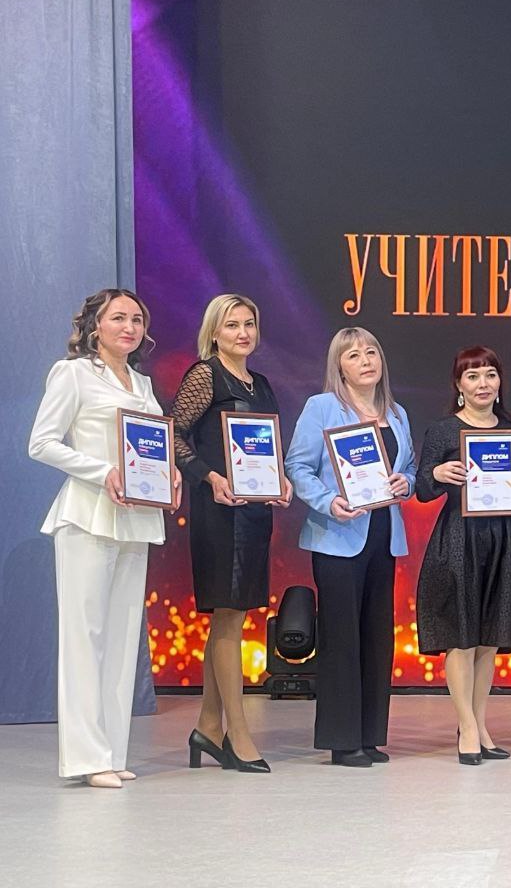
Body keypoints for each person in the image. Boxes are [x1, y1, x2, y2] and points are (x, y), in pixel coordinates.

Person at [29, 288, 181, 788]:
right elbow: (42, 443)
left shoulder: (142, 383)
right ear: (96, 325)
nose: (129, 327)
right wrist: (103, 472)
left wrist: (169, 473)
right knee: (84, 638)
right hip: (87, 516)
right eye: (118, 318)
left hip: (136, 519)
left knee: (121, 639)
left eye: (137, 319)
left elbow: (150, 446)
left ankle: (111, 751)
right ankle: (85, 757)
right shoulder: (72, 373)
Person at [284, 327, 416, 767]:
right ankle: (342, 740)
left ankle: (370, 735)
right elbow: (297, 466)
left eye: (371, 352)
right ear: (338, 366)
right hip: (337, 535)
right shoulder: (322, 407)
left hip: (383, 534)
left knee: (376, 636)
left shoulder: (396, 413)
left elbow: (409, 468)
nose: (365, 361)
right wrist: (328, 502)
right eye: (354, 355)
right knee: (342, 638)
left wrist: (406, 483)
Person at [171, 293, 291, 773]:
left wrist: (280, 479)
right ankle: (238, 734)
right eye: (232, 325)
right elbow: (173, 434)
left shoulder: (260, 383)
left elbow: (265, 444)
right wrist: (208, 476)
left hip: (256, 513)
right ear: (214, 332)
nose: (243, 333)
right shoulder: (205, 375)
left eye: (249, 324)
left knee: (232, 617)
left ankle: (207, 725)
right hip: (219, 512)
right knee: (227, 616)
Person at [415, 346, 511, 766]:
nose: (483, 384)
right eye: (473, 376)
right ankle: (466, 727)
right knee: (461, 637)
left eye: (490, 375)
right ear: (458, 385)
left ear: (499, 382)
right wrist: (437, 473)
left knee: (489, 640)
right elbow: (422, 489)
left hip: (504, 540)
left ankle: (480, 725)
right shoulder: (444, 430)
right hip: (459, 540)